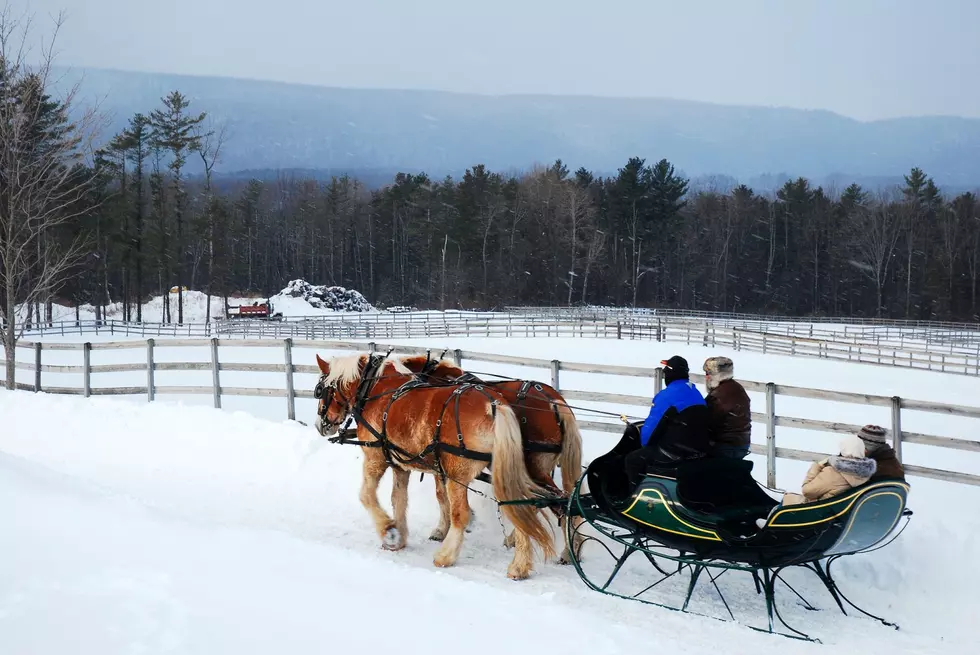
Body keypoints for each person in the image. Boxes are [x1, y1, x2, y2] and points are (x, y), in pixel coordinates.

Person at [756, 434, 876, 528]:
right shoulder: (864, 474)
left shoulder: (834, 473)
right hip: (835, 515)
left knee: (788, 499)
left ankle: (769, 528)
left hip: (817, 515)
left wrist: (817, 466)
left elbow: (807, 491)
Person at [625, 356, 708, 484]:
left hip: (674, 454)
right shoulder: (696, 393)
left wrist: (642, 445)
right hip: (696, 452)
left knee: (632, 460)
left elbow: (649, 432)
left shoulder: (666, 396)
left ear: (671, 374)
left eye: (666, 371)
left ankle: (634, 497)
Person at [702, 356, 751, 459]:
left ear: (715, 376)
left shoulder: (718, 395)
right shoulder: (738, 388)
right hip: (742, 444)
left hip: (724, 446)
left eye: (708, 374)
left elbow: (707, 422)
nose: (706, 377)